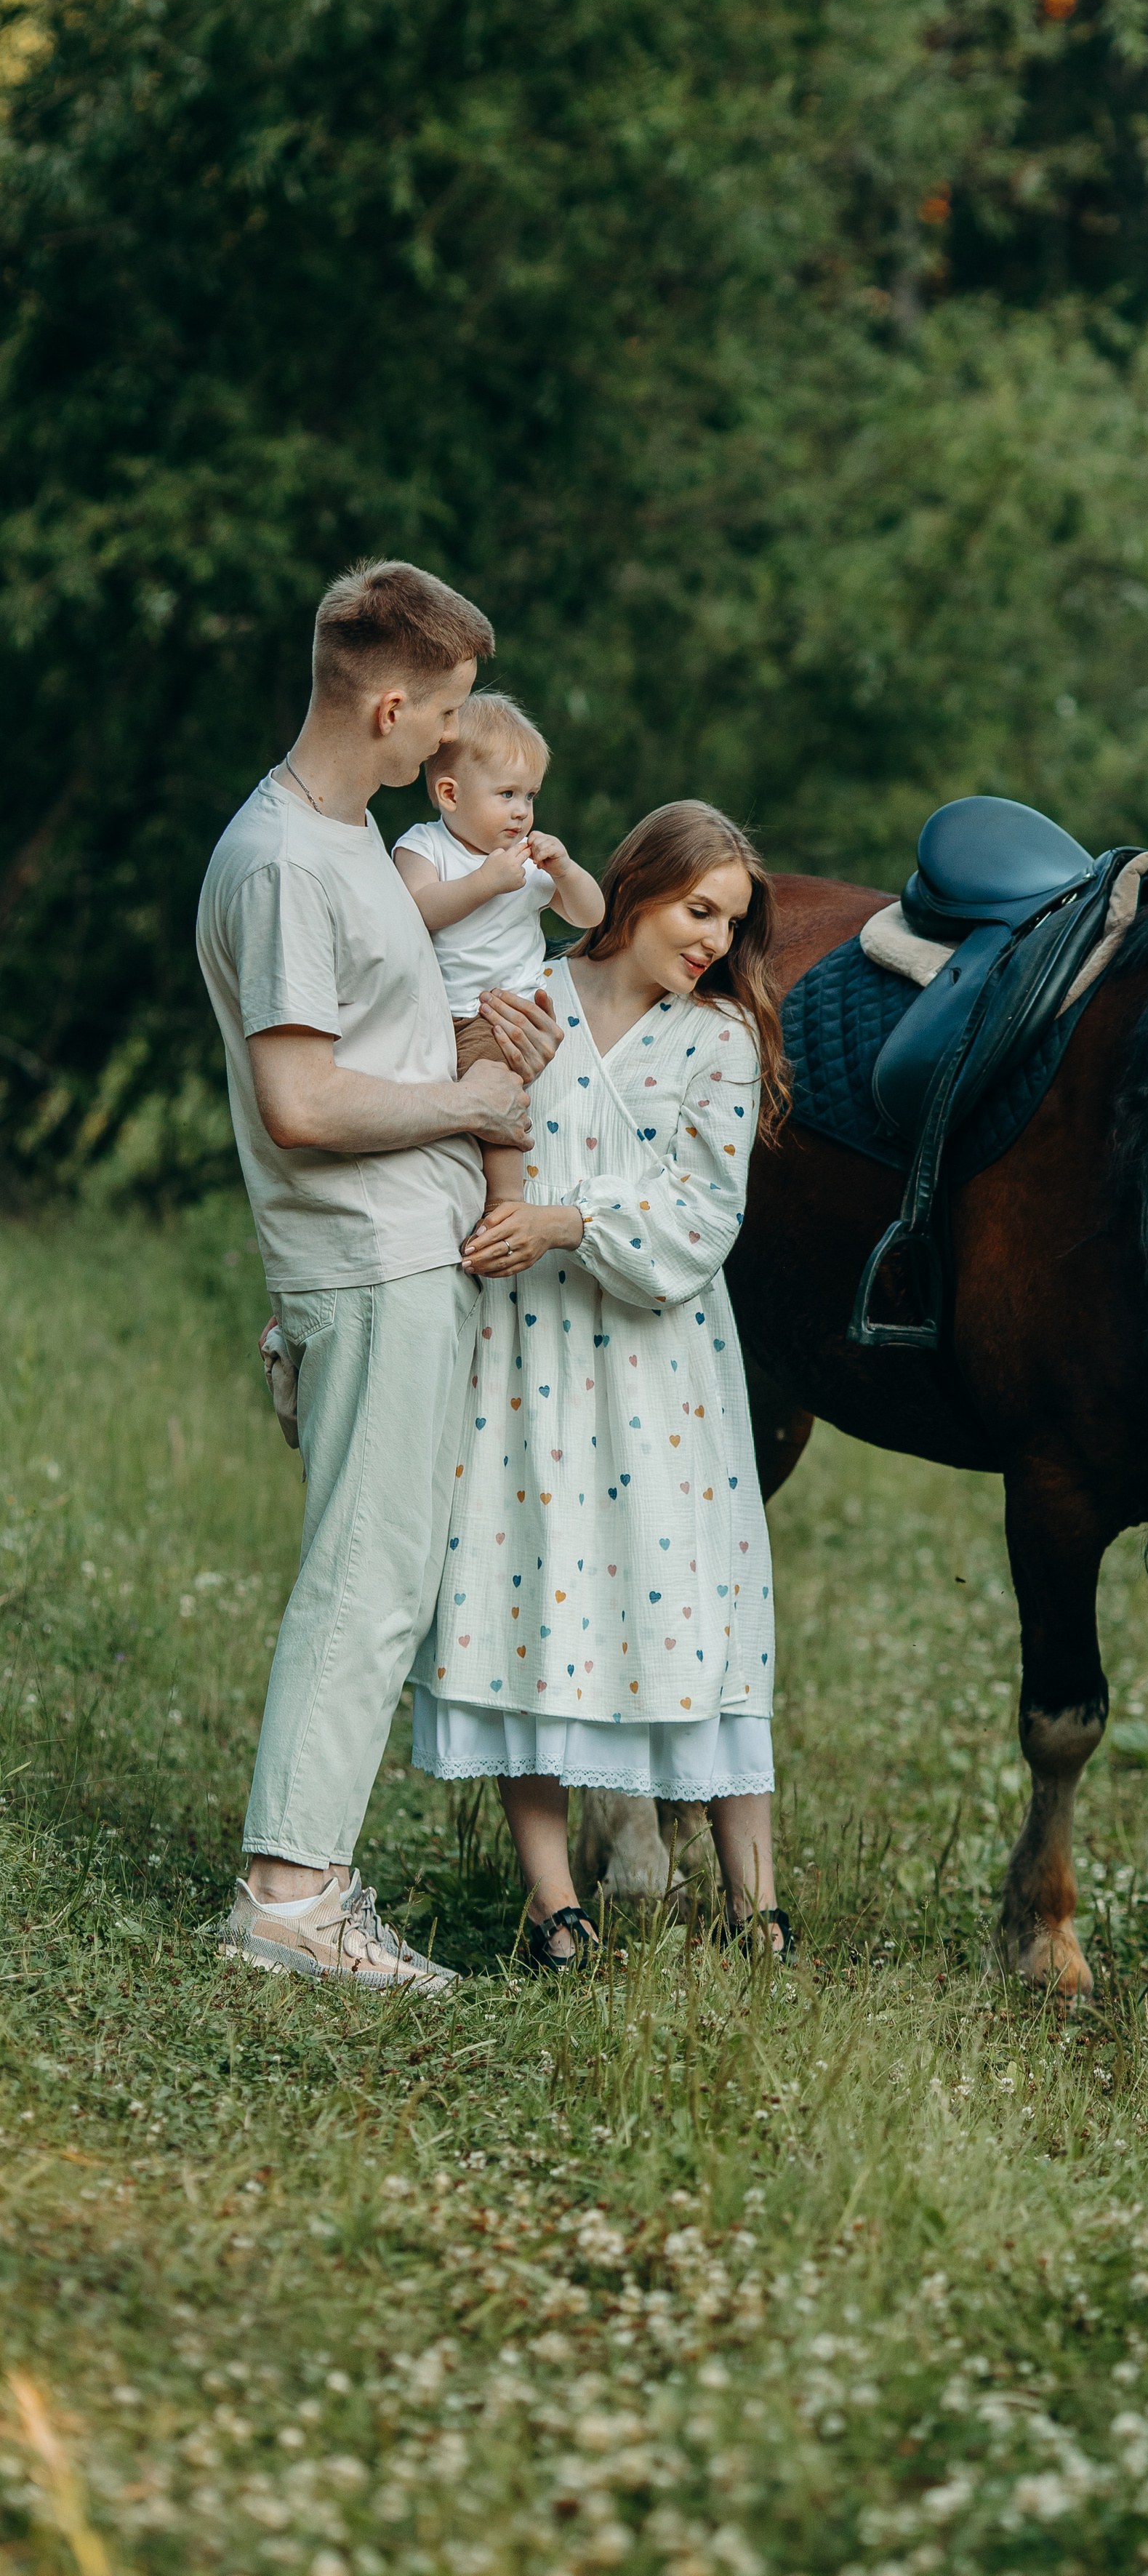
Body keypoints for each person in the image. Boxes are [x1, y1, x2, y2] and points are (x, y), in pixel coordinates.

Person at [196, 558, 563, 1994]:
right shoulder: (288, 863)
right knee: (366, 1572)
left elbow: (375, 1052)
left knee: (388, 1569)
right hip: (369, 1260)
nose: (458, 738)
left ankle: (305, 1888)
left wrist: (482, 1055)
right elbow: (299, 1102)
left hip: (407, 1247)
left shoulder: (349, 843)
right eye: (451, 711)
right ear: (393, 706)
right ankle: (291, 1902)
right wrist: (470, 1105)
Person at [405, 801, 793, 1968]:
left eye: (731, 924)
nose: (715, 942)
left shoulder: (720, 1040)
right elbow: (455, 1136)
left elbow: (702, 1216)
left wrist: (565, 1219)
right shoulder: (522, 994)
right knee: (526, 1588)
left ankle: (757, 1905)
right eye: (698, 911)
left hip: (663, 1362)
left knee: (695, 1603)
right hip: (522, 1351)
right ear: (635, 889)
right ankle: (554, 1904)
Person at [391, 691, 605, 1216]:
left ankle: (505, 1201)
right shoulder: (424, 847)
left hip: (503, 1015)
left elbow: (590, 914)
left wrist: (565, 871)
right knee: (454, 1112)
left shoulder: (525, 863)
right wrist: (485, 883)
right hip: (438, 1014)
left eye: (530, 796)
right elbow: (417, 910)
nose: (521, 812)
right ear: (450, 794)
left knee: (494, 1083)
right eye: (507, 794)